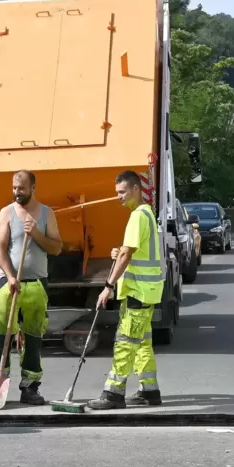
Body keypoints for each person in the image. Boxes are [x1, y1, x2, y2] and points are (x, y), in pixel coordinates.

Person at [87, 170, 164, 410]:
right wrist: (120, 251)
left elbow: (127, 254)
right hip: (147, 289)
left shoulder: (137, 216)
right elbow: (130, 250)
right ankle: (149, 392)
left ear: (136, 189)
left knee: (125, 342)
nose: (118, 197)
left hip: (138, 291)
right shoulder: (146, 213)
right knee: (142, 343)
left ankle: (113, 393)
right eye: (117, 193)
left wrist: (107, 286)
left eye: (122, 192)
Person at [0, 170, 62, 405]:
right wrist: (10, 276)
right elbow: (0, 249)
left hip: (37, 284)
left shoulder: (46, 213)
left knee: (32, 337)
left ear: (33, 188)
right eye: (14, 188)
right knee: (2, 334)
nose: (16, 192)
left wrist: (37, 234)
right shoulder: (6, 213)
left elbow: (56, 248)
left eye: (21, 188)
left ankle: (30, 388)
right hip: (10, 283)